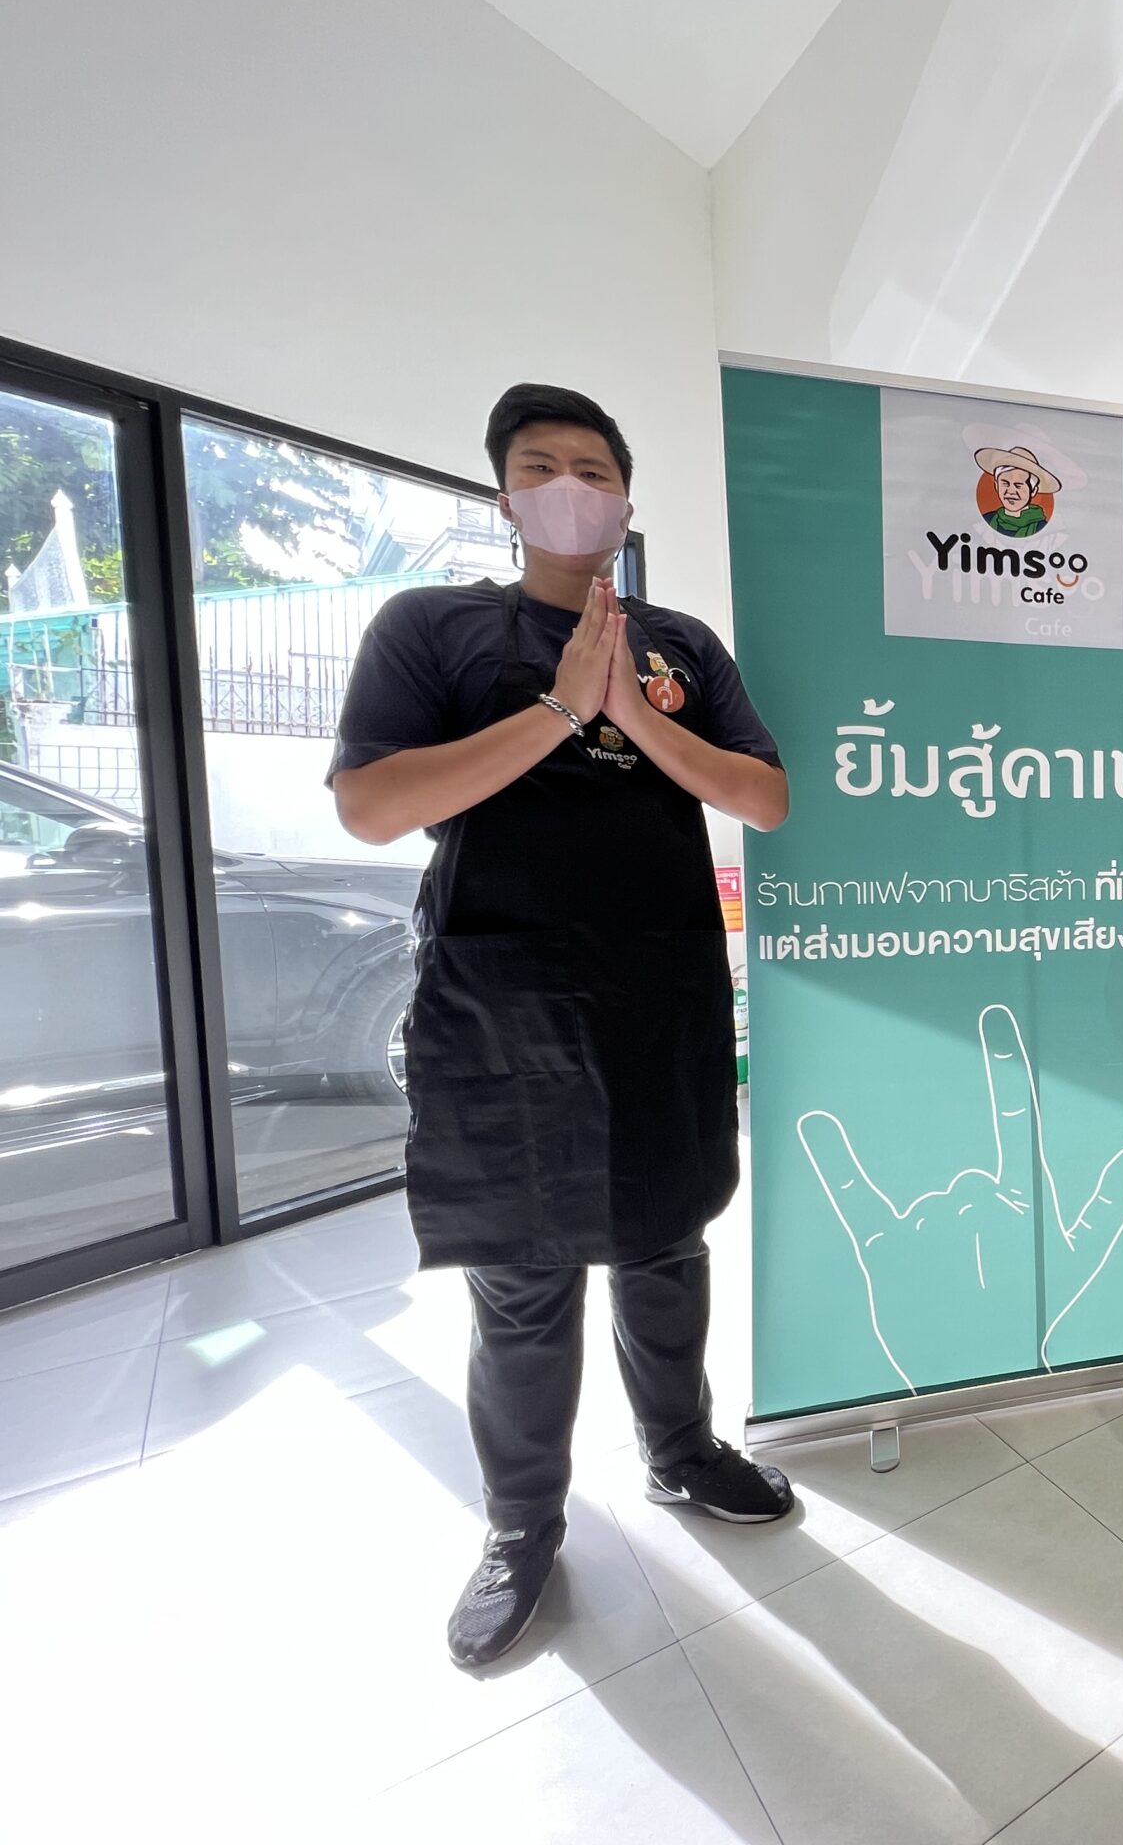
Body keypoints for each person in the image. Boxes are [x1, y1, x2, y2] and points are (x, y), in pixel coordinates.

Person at [330, 384, 796, 1669]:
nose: (569, 488)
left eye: (593, 469)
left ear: (626, 502)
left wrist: (634, 715)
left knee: (665, 1246)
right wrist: (554, 712)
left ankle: (682, 1451)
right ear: (505, 495)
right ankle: (522, 1525)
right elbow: (371, 807)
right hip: (505, 1003)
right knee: (522, 1277)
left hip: (658, 994)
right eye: (541, 467)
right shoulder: (433, 628)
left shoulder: (681, 646)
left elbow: (764, 798)